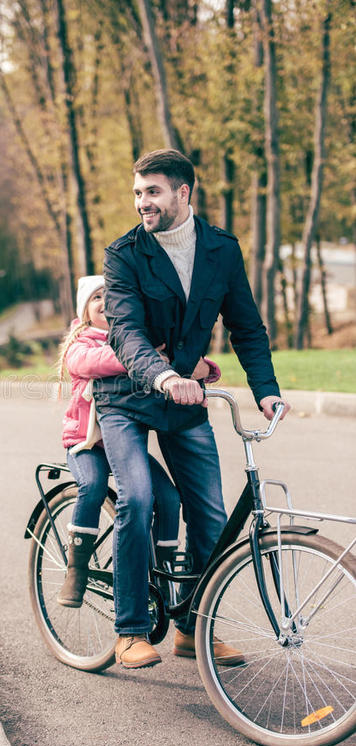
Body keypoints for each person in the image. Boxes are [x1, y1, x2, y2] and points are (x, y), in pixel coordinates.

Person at [94, 148, 291, 669]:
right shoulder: (124, 255)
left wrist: (266, 389)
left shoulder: (221, 250)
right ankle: (131, 631)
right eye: (137, 192)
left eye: (152, 191)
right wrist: (163, 375)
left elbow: (246, 326)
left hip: (185, 404)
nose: (142, 203)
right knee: (137, 497)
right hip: (129, 400)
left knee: (209, 516)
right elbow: (124, 330)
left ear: (184, 192)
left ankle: (193, 629)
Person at [56, 274, 221, 611]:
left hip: (124, 442)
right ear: (85, 310)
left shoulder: (137, 338)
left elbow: (170, 360)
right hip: (87, 444)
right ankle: (77, 568)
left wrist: (205, 369)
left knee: (169, 497)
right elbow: (92, 363)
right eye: (97, 298)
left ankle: (161, 572)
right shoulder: (82, 343)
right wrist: (136, 357)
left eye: (112, 296)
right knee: (93, 485)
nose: (105, 302)